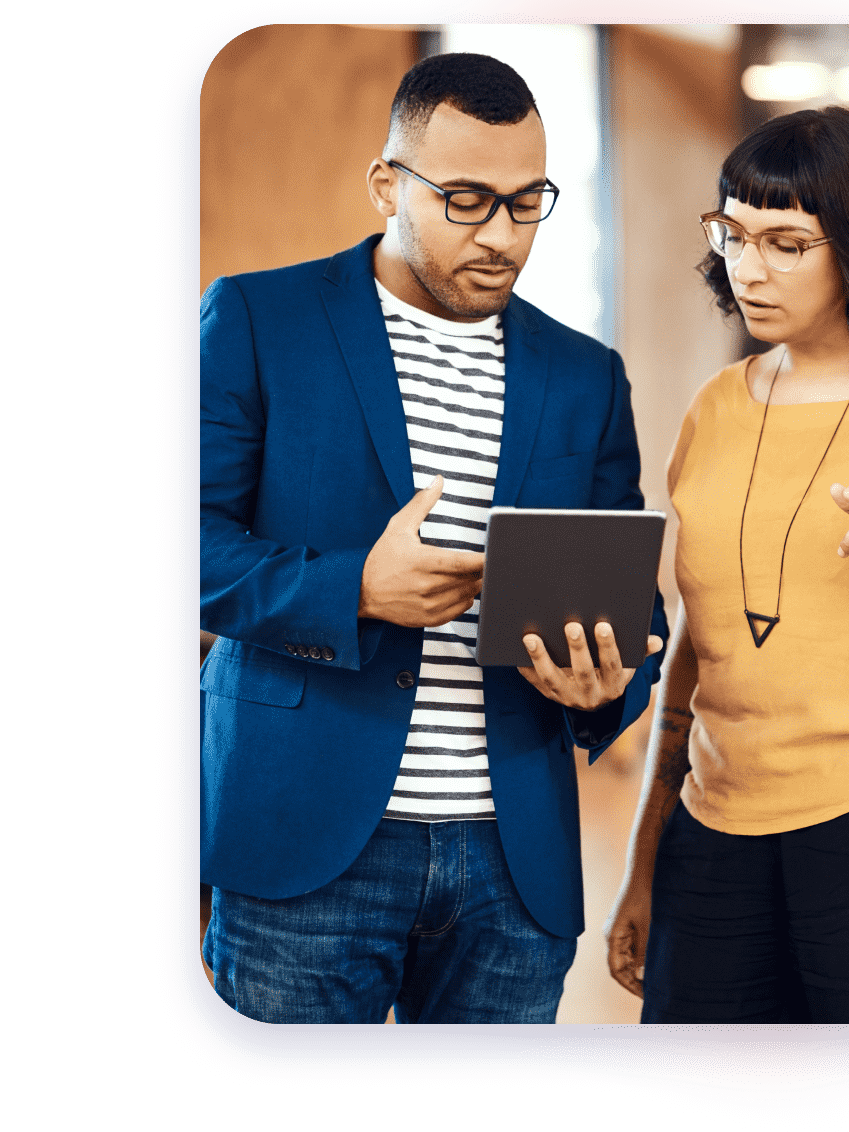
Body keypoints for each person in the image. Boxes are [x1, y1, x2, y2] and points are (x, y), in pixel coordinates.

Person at [200, 52, 667, 1024]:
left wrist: (608, 682)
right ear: (387, 185)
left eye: (526, 201)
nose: (501, 234)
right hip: (304, 845)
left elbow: (633, 607)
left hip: (514, 864)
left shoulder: (587, 375)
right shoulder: (259, 317)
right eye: (464, 199)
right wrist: (356, 591)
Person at [605, 107, 849, 1024]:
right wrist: (647, 858)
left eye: (785, 242)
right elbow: (697, 655)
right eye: (733, 235)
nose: (749, 266)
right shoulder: (715, 406)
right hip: (717, 828)